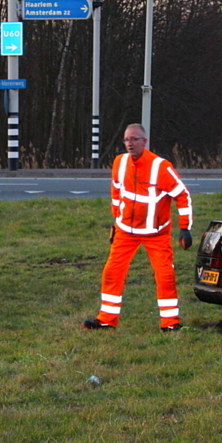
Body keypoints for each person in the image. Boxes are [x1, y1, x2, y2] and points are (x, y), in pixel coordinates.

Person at [83, 123, 193, 332]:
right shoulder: (119, 162)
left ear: (144, 141)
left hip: (157, 233)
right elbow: (116, 189)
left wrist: (185, 228)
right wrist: (116, 220)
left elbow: (182, 195)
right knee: (111, 272)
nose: (129, 143)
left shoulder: (160, 166)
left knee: (164, 275)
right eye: (126, 139)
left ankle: (170, 323)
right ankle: (106, 320)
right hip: (125, 231)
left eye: (134, 139)